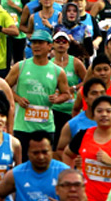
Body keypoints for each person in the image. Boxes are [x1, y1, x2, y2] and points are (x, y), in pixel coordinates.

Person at [5, 30, 71, 161]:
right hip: (22, 126)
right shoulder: (20, 66)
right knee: (22, 163)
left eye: (40, 43)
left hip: (45, 127)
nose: (36, 46)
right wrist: (18, 99)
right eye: (34, 42)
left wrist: (57, 99)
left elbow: (67, 94)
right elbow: (4, 88)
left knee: (43, 162)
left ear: (49, 45)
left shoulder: (57, 71)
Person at [63, 95, 111, 201]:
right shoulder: (83, 135)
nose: (104, 114)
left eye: (109, 111)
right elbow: (67, 154)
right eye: (99, 111)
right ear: (94, 115)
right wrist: (72, 175)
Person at [0, 132, 70, 201]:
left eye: (44, 152)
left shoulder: (64, 172)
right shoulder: (16, 174)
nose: (41, 157)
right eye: (35, 153)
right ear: (28, 153)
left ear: (51, 151)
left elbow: (81, 200)